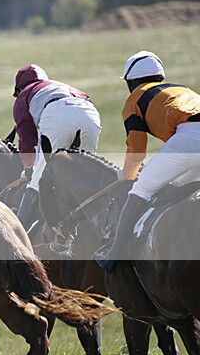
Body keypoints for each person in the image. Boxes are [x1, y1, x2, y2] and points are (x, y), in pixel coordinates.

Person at [96, 51, 200, 272]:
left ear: (131, 81)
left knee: (139, 192)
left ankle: (114, 254)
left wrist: (129, 173)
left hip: (189, 140)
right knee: (179, 186)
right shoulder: (182, 89)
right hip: (188, 139)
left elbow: (136, 147)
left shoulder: (134, 100)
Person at [12, 64, 102, 231]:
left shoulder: (23, 96)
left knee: (37, 182)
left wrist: (29, 169)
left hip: (57, 113)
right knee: (86, 177)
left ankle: (17, 236)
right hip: (90, 113)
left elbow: (27, 141)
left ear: (19, 88)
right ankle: (98, 233)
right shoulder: (58, 85)